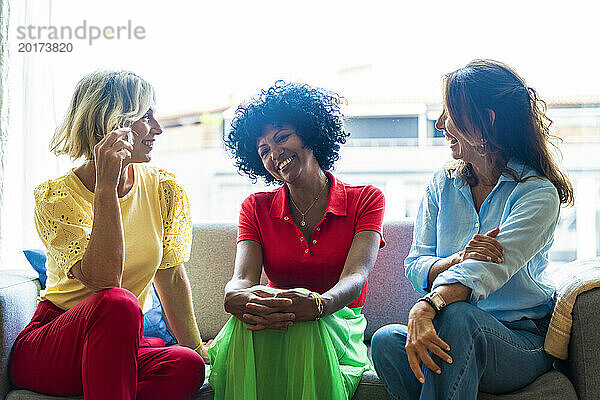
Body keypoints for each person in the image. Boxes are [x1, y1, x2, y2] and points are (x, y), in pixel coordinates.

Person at [371, 59, 574, 399]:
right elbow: (415, 263)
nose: (439, 124)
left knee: (461, 318)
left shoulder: (537, 194)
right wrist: (456, 259)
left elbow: (486, 270)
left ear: (486, 122)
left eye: (448, 113)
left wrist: (428, 304)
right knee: (385, 342)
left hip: (517, 342)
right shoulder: (442, 184)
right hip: (453, 329)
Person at [9, 71, 209, 400]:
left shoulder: (163, 189)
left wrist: (198, 349)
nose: (158, 128)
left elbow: (171, 280)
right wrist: (105, 188)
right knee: (117, 303)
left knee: (186, 364)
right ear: (113, 122)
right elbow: (106, 280)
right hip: (56, 345)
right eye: (146, 116)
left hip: (119, 346)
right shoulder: (56, 197)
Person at [209, 81, 385, 400]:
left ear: (310, 132)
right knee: (249, 321)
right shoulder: (255, 207)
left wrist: (318, 305)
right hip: (280, 320)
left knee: (301, 320)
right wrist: (234, 297)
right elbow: (243, 279)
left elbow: (356, 277)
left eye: (282, 138)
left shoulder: (366, 199)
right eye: (263, 151)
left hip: (337, 323)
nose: (275, 154)